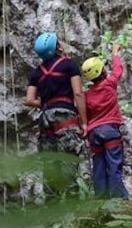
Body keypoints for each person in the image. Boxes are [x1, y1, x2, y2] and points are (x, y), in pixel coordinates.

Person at [25, 32, 88, 185]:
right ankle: (72, 205)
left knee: (50, 166)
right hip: (65, 116)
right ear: (57, 48)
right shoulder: (69, 64)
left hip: (45, 118)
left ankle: (52, 204)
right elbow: (78, 93)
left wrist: (47, 104)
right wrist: (84, 122)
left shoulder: (36, 73)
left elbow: (29, 100)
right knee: (68, 163)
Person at [81, 42, 128, 199]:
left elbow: (84, 113)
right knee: (114, 165)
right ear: (103, 72)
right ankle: (118, 200)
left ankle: (100, 200)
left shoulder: (87, 95)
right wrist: (115, 53)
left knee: (99, 167)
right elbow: (118, 69)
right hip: (110, 131)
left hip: (94, 133)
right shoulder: (110, 84)